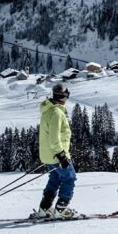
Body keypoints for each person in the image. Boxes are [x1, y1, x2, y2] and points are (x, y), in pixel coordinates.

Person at [35, 83, 78, 219]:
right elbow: (54, 138)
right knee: (69, 178)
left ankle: (44, 208)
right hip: (57, 155)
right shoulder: (57, 113)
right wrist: (62, 157)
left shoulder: (48, 110)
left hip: (49, 155)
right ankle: (61, 210)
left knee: (55, 178)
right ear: (65, 96)